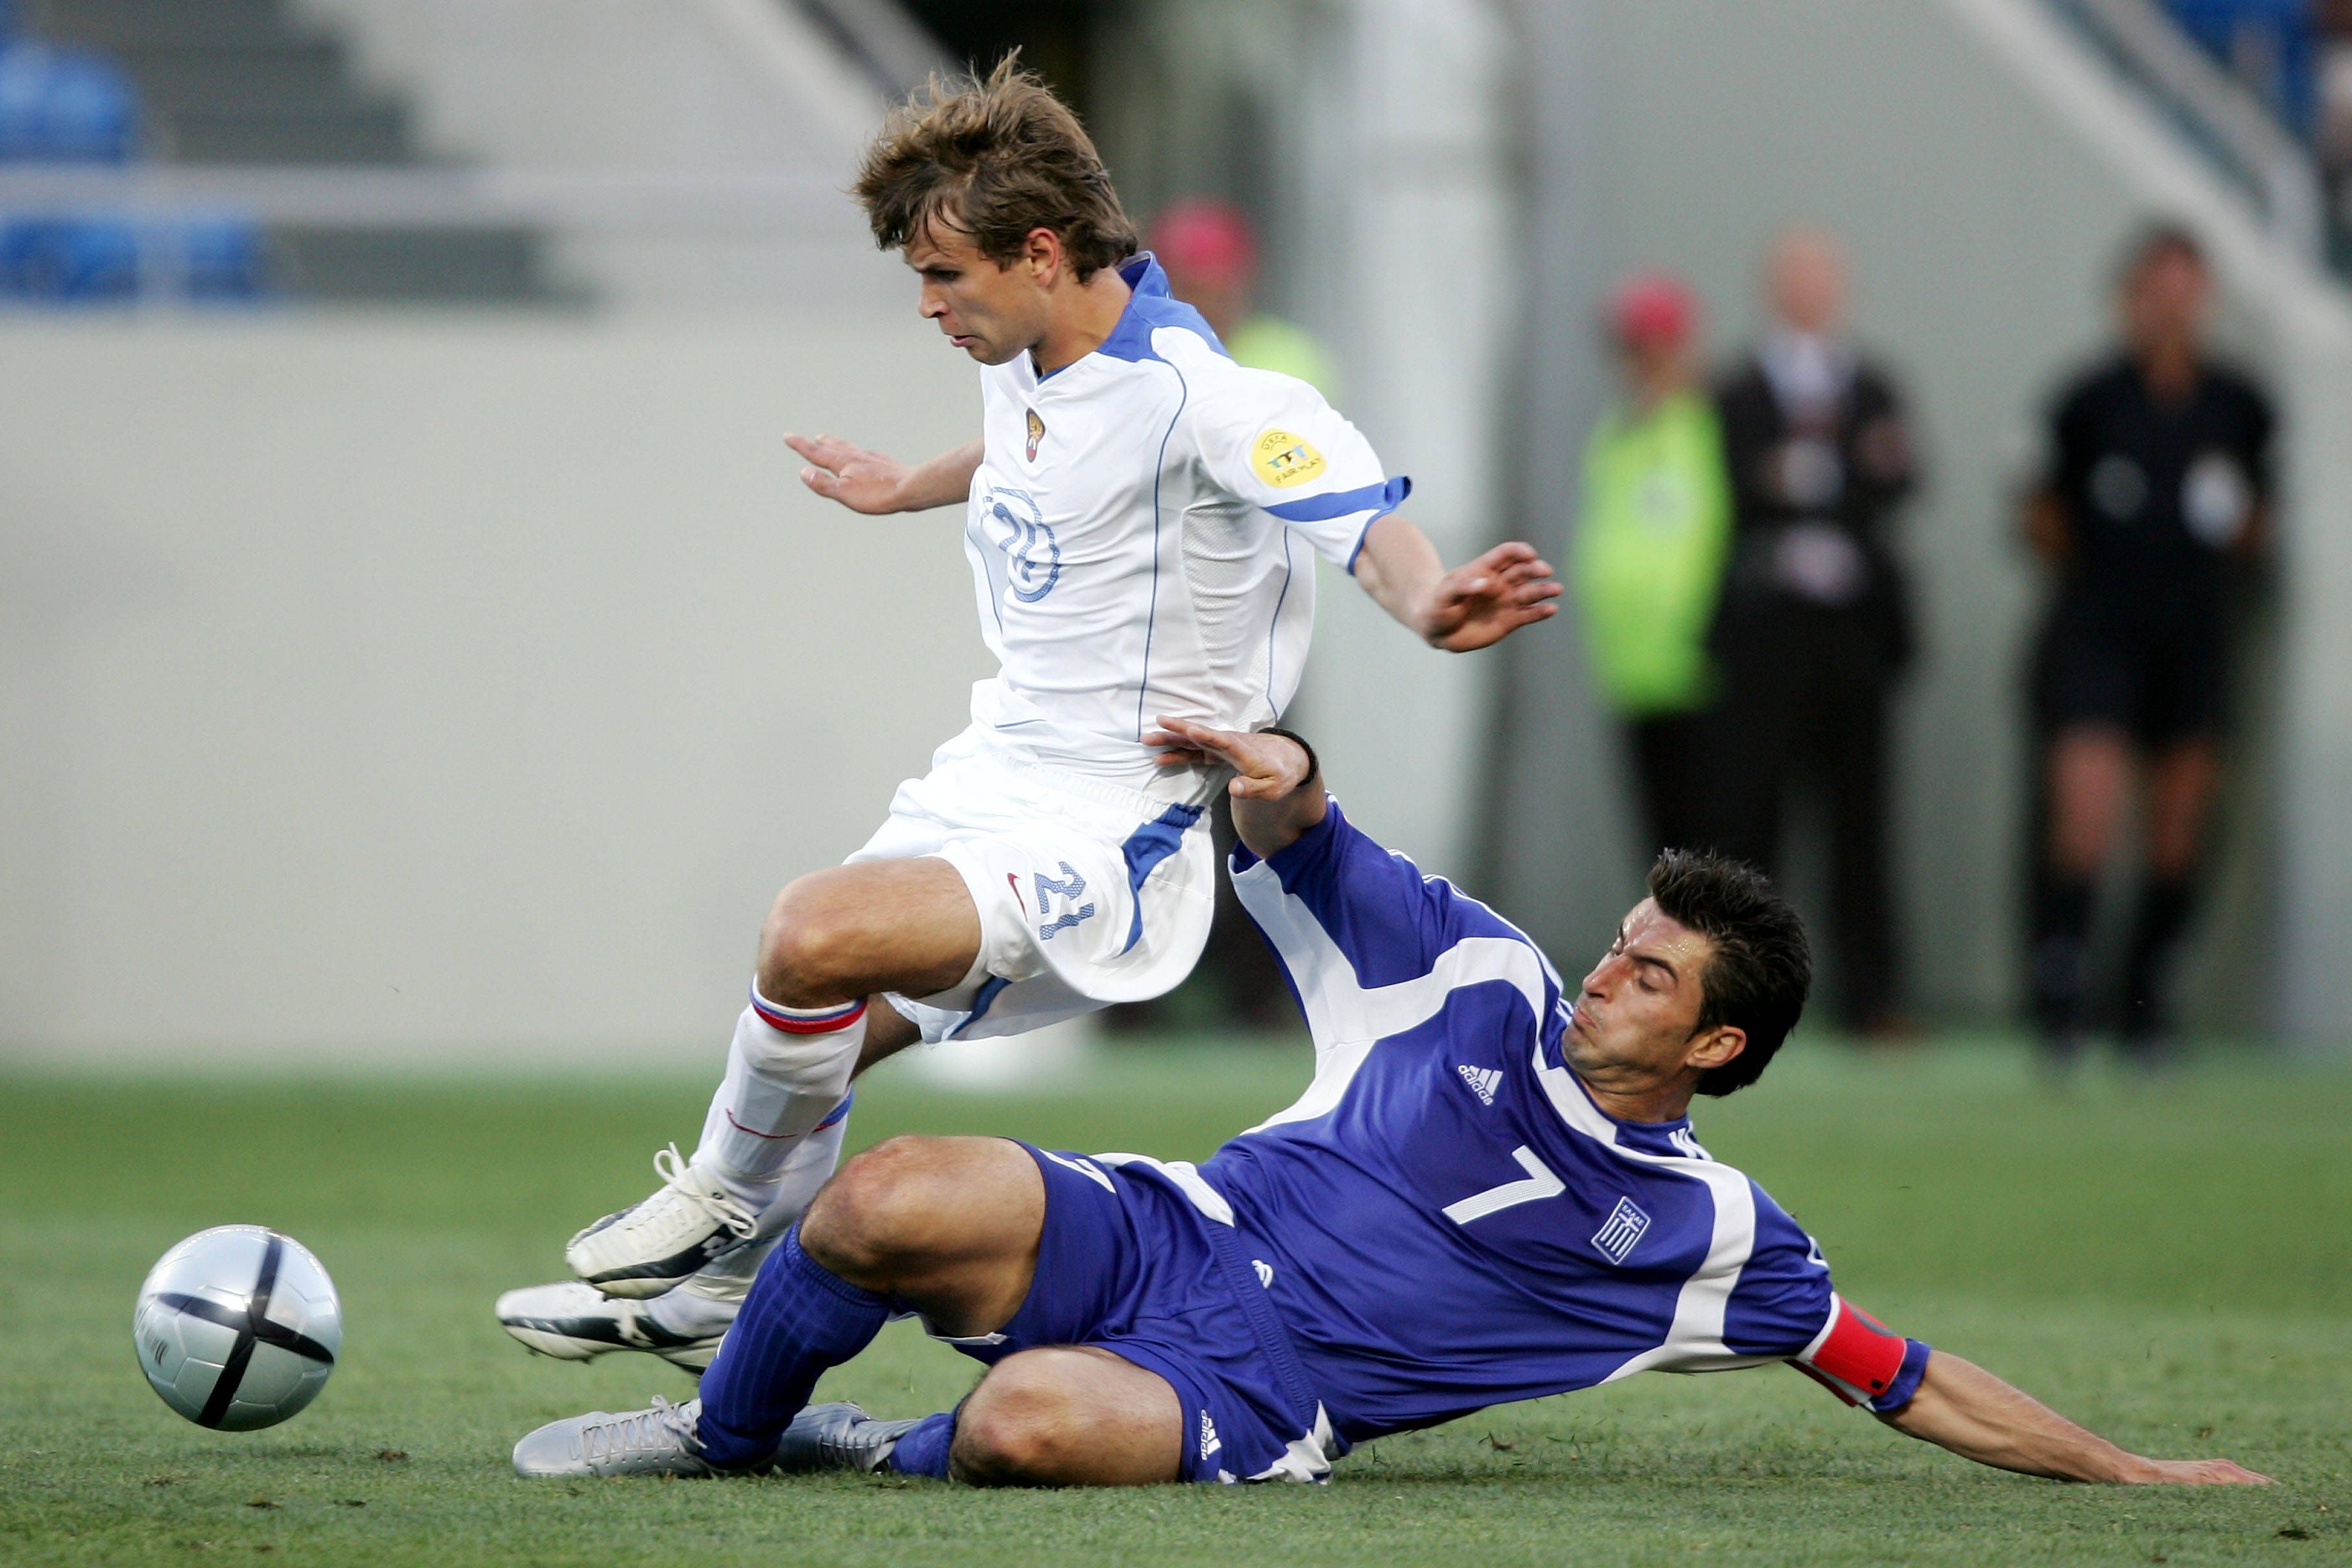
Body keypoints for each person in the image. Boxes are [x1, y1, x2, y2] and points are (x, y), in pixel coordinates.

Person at [492, 58, 1560, 1369]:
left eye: (948, 279)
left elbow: (1352, 509)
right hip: (994, 772)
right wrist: (910, 484)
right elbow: (1038, 441)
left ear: (1043, 252)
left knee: (811, 929)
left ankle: (720, 1212)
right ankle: (716, 1290)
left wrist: (1429, 599)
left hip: (1120, 828)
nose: (932, 307)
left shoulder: (1205, 394)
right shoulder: (1041, 346)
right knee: (818, 1005)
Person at [510, 724, 2269, 1492]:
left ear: (1719, 1052)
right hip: (1173, 1225)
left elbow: (1908, 1377)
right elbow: (1311, 847)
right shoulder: (1486, 977)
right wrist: (1286, 778)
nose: (1607, 974)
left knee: (1026, 1432)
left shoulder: (1708, 1241)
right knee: (882, 1197)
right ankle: (727, 1439)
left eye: (1654, 979)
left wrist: (2127, 1469)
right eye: (1624, 944)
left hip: (1254, 1386)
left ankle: (865, 1450)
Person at [2022, 225, 2273, 1066]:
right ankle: (2060, 991)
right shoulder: (2087, 400)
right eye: (2156, 290)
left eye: (2186, 291)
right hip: (2099, 627)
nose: (2171, 308)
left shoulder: (2239, 404)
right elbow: (2040, 513)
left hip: (2194, 633)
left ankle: (2144, 997)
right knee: (2086, 814)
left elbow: (2258, 520)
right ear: (2129, 297)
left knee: (2178, 824)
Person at [1711, 228, 1920, 1037]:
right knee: (1750, 817)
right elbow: (1736, 482)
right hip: (1765, 634)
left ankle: (1872, 994)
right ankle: (1742, 995)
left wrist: (1806, 480)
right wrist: (1836, 477)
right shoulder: (1736, 388)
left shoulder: (1871, 382)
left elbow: (1899, 474)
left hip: (1853, 635)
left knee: (1863, 816)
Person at [1571, 273, 1733, 859]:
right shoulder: (1615, 433)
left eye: (1653, 344)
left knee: (1713, 844)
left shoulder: (1709, 425)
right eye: (1631, 347)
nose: (1641, 361)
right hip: (1632, 668)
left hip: (1701, 669)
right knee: (1661, 844)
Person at [1149, 199, 1338, 397]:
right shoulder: (1139, 361)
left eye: (1221, 293)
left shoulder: (1293, 361)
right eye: (1192, 291)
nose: (1208, 306)